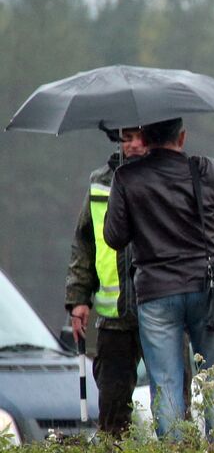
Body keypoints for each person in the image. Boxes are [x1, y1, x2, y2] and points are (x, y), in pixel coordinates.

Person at [103, 118, 214, 440]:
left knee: (165, 380)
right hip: (206, 287)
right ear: (181, 137)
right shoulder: (206, 169)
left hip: (155, 292)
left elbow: (114, 237)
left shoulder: (126, 177)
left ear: (143, 137)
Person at [65, 125, 147, 436]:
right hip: (114, 312)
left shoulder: (167, 176)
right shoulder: (100, 182)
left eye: (141, 137)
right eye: (127, 137)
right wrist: (78, 299)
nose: (135, 145)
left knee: (173, 399)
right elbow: (84, 241)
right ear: (118, 140)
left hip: (161, 308)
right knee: (112, 405)